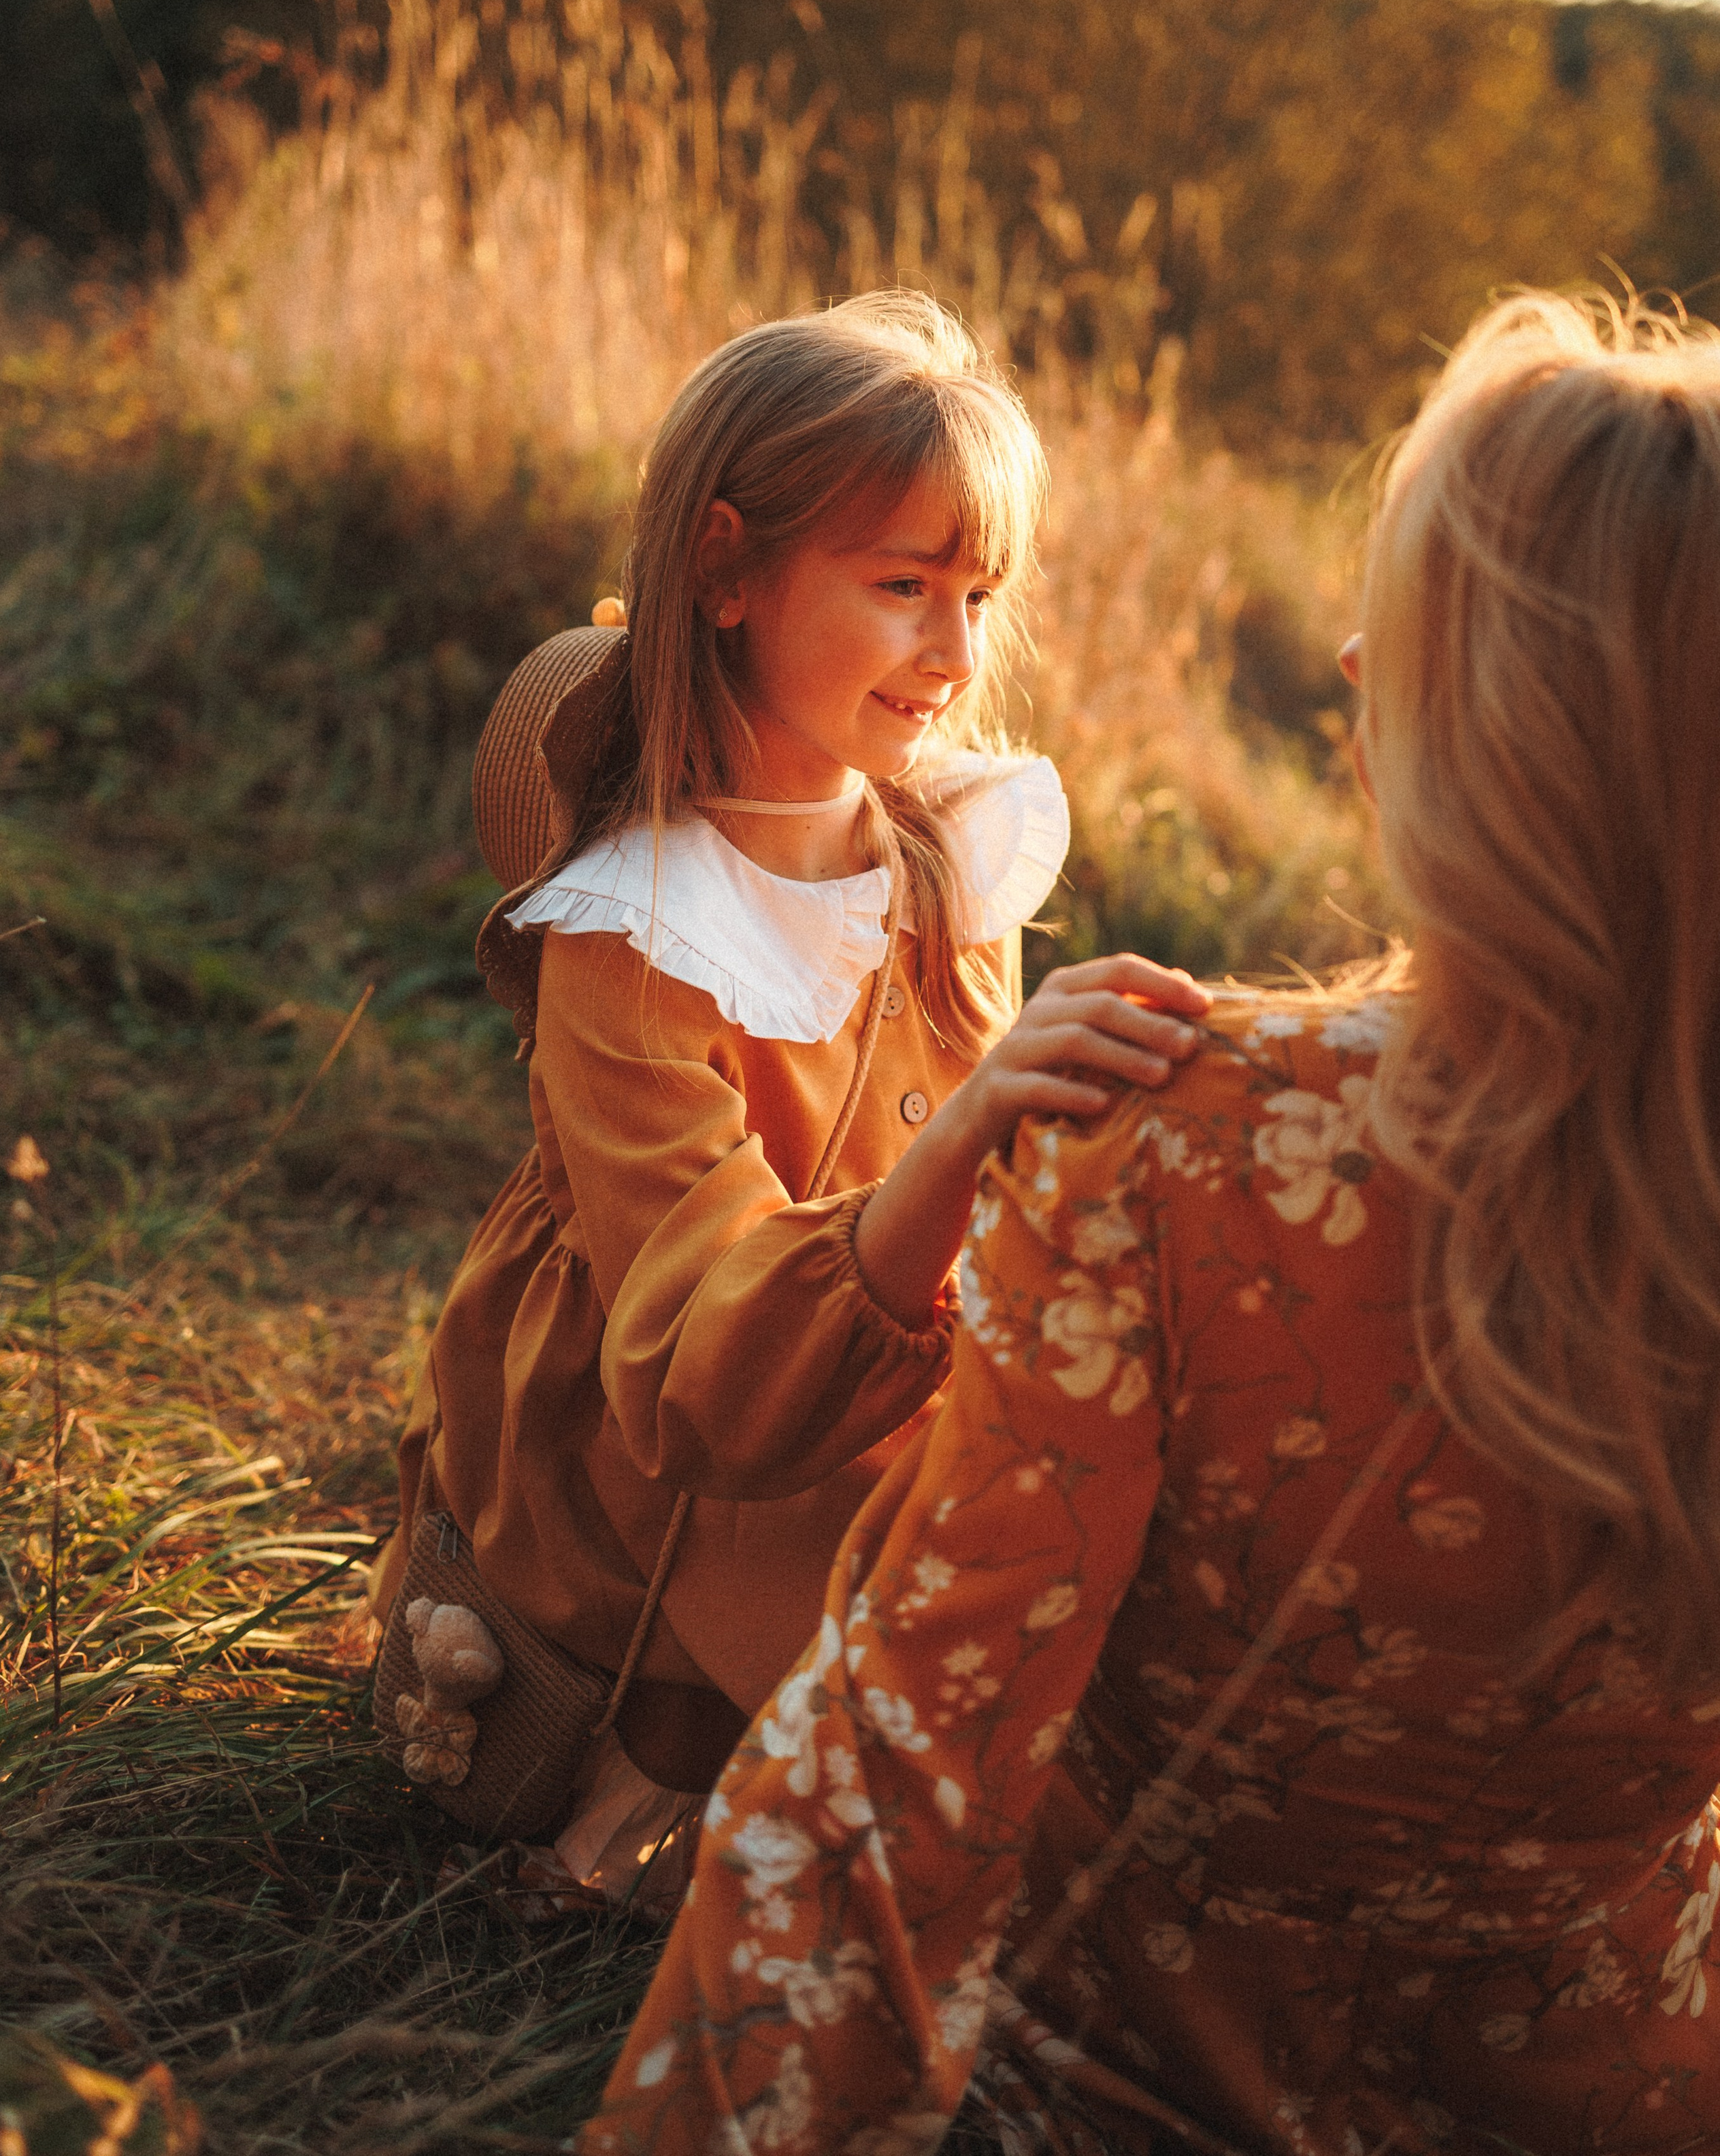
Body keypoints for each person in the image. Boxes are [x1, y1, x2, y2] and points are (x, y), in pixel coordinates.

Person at [581, 291, 1720, 2153]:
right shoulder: (648, 944)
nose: (1350, 659)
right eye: (903, 586)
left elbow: (901, 1776)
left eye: (1412, 630)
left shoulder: (1186, 1151)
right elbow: (688, 1346)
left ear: (1514, 715)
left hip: (1146, 2087)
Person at [369, 293, 1208, 1904]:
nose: (955, 656)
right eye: (902, 589)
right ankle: (651, 1767)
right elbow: (701, 1379)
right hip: (662, 1501)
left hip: (894, 1418)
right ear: (727, 569)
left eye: (979, 595)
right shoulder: (633, 937)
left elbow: (995, 1204)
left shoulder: (941, 853)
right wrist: (967, 1140)